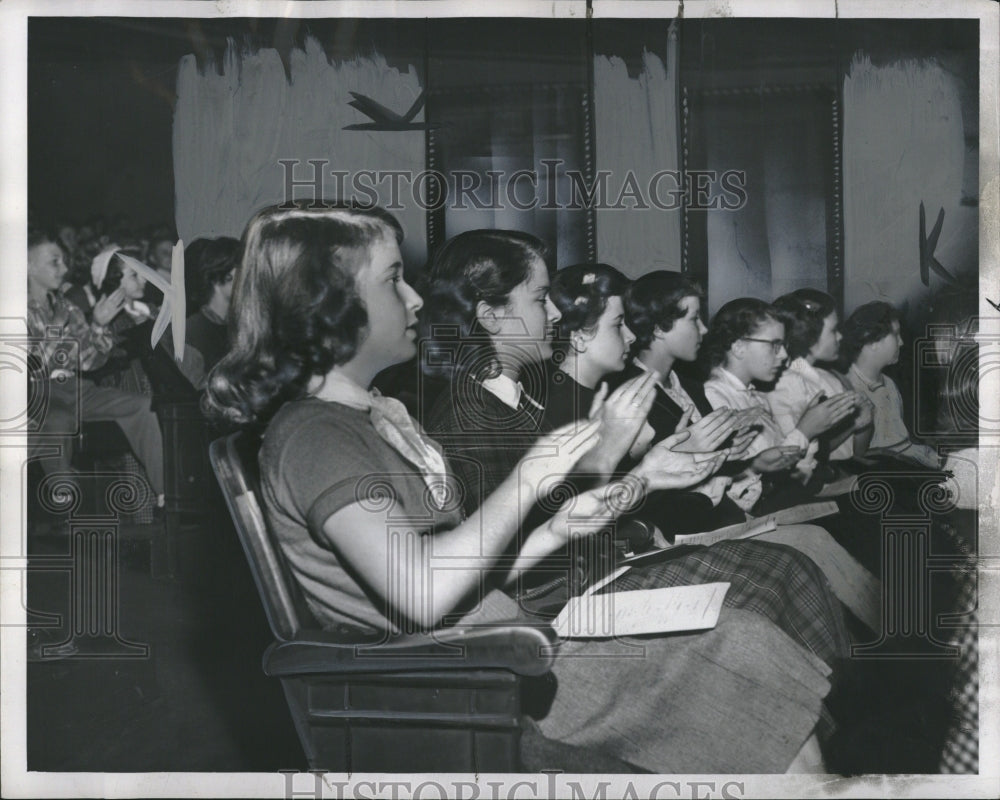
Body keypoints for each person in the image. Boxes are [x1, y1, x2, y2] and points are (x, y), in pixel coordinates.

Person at [207, 205, 833, 773]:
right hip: (480, 683)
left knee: (749, 643)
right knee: (747, 654)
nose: (417, 299)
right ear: (330, 302)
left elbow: (465, 574)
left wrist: (560, 528)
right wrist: (534, 475)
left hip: (501, 646)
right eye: (392, 279)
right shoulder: (316, 437)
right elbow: (423, 593)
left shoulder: (371, 414)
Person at [26, 229, 165, 509]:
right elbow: (33, 366)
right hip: (33, 395)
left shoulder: (66, 307)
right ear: (28, 265)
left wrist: (99, 325)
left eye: (64, 261)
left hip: (74, 387)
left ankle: (165, 493)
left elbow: (90, 362)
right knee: (57, 421)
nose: (64, 269)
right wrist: (63, 329)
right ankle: (61, 499)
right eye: (54, 262)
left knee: (144, 406)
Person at [768, 289, 875, 466]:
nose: (840, 336)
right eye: (833, 330)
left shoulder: (830, 378)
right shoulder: (784, 384)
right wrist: (852, 426)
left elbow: (857, 452)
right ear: (809, 336)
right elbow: (797, 457)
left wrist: (862, 422)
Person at [840, 301, 943, 469]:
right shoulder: (846, 387)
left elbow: (900, 439)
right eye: (896, 335)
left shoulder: (889, 384)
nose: (901, 342)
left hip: (909, 459)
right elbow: (856, 457)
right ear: (871, 341)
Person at [165, 236, 239, 389]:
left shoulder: (239, 325)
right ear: (218, 278)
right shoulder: (192, 331)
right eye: (242, 273)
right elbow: (192, 390)